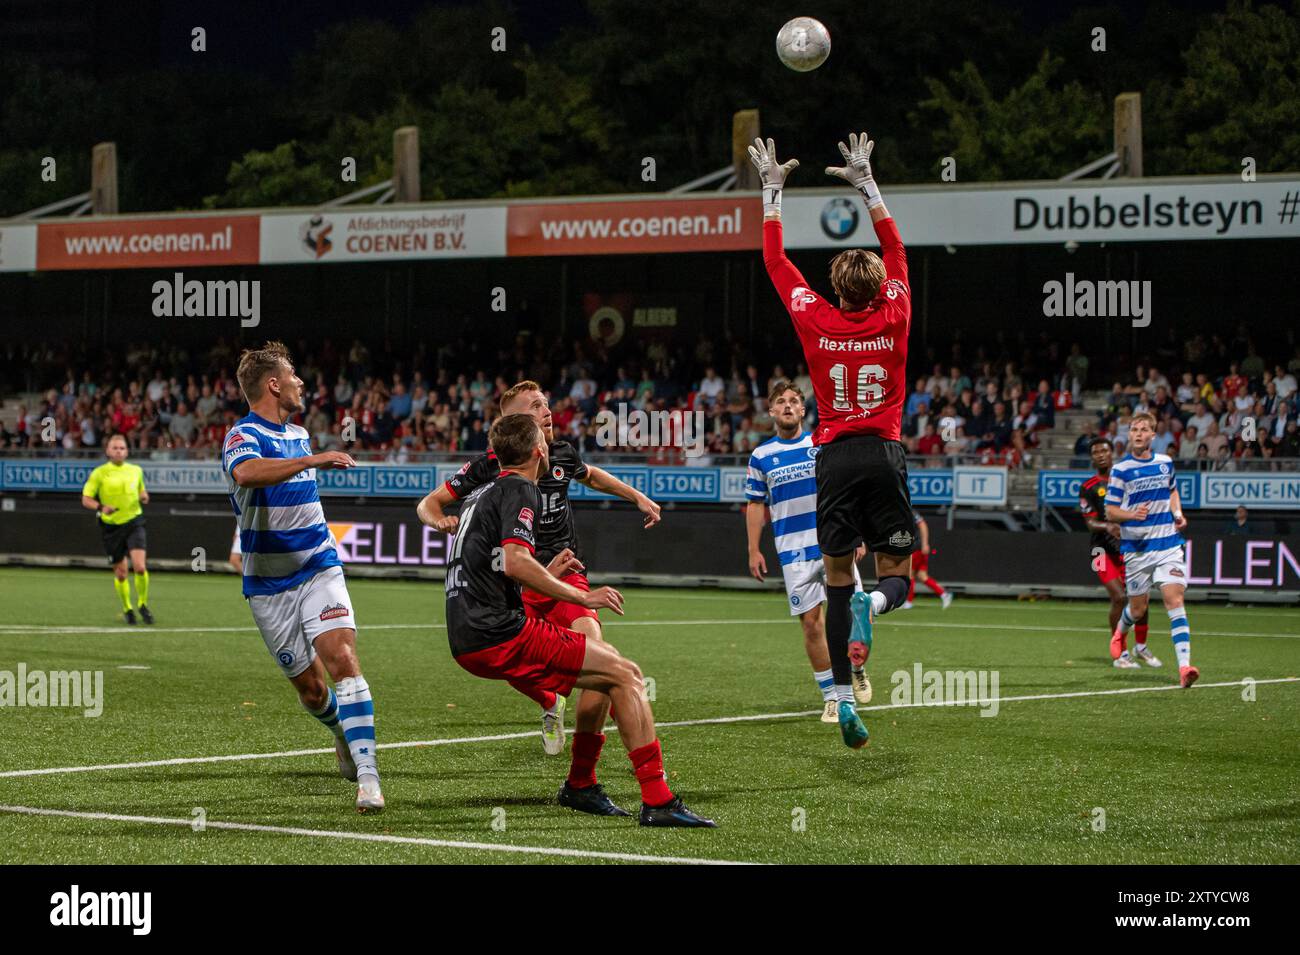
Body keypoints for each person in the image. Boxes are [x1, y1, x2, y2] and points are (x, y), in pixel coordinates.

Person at [445, 413, 714, 826]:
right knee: (626, 675)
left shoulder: (481, 494)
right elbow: (516, 562)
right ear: (538, 450)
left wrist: (548, 574)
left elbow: (495, 567)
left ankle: (581, 783)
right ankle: (656, 800)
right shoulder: (520, 487)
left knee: (604, 669)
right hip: (496, 631)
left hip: (469, 634)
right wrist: (580, 594)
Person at [750, 131, 913, 749]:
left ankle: (842, 699)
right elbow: (896, 250)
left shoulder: (817, 317)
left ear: (838, 291)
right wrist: (867, 184)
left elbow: (775, 263)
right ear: (876, 287)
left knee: (837, 577)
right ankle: (881, 602)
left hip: (833, 457)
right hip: (884, 452)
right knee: (895, 571)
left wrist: (772, 194)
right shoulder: (895, 309)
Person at [417, 380, 662, 759]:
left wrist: (637, 496)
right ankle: (552, 704)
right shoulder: (489, 467)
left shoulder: (561, 453)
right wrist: (440, 521)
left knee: (598, 656)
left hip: (565, 571)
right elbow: (429, 503)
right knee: (518, 663)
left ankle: (585, 771)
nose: (546, 411)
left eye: (546, 403)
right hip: (518, 583)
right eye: (535, 406)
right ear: (512, 422)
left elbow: (592, 475)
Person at [223, 341, 385, 812]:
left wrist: (308, 456)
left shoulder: (299, 433)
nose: (300, 383)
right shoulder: (242, 435)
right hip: (269, 584)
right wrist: (312, 461)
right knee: (313, 690)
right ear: (273, 384)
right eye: (293, 375)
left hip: (318, 565)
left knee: (344, 658)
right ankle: (338, 731)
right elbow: (249, 474)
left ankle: (369, 776)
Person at [745, 380, 871, 725]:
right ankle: (832, 697)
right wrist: (754, 548)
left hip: (833, 543)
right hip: (793, 553)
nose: (787, 406)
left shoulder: (821, 443)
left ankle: (856, 666)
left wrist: (856, 532)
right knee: (812, 627)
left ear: (803, 410)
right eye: (781, 402)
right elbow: (756, 505)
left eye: (794, 401)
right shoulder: (761, 456)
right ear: (771, 411)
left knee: (858, 615)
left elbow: (845, 490)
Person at [1106, 413, 1197, 687]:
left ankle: (1184, 668)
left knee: (1175, 600)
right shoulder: (1120, 470)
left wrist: (1178, 513)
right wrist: (1132, 515)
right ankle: (1120, 634)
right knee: (1137, 609)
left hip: (1167, 544)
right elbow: (1110, 511)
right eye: (1134, 429)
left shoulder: (1165, 463)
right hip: (1136, 549)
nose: (1137, 433)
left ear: (1153, 436)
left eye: (1143, 429)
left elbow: (1172, 491)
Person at [1078, 438, 1151, 666]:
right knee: (1119, 597)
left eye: (1104, 450)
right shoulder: (1088, 487)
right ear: (1092, 457)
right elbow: (1090, 523)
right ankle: (1119, 651)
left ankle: (1140, 647)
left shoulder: (1125, 481)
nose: (1100, 454)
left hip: (1125, 548)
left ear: (1112, 453)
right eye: (1095, 452)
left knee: (1139, 599)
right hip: (1099, 551)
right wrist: (1108, 525)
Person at [81, 433, 154, 624]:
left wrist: (144, 496)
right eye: (115, 448)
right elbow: (86, 499)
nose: (119, 451)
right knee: (121, 573)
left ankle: (143, 604)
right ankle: (127, 608)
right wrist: (101, 507)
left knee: (139, 566)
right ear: (108, 451)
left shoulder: (136, 470)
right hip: (111, 526)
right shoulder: (99, 473)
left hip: (134, 521)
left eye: (122, 448)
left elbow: (141, 490)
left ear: (127, 451)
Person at [901, 510, 952, 609]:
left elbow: (923, 525)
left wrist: (924, 544)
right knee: (922, 576)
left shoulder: (910, 511)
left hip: (916, 547)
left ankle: (908, 602)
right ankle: (944, 594)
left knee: (910, 574)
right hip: (916, 547)